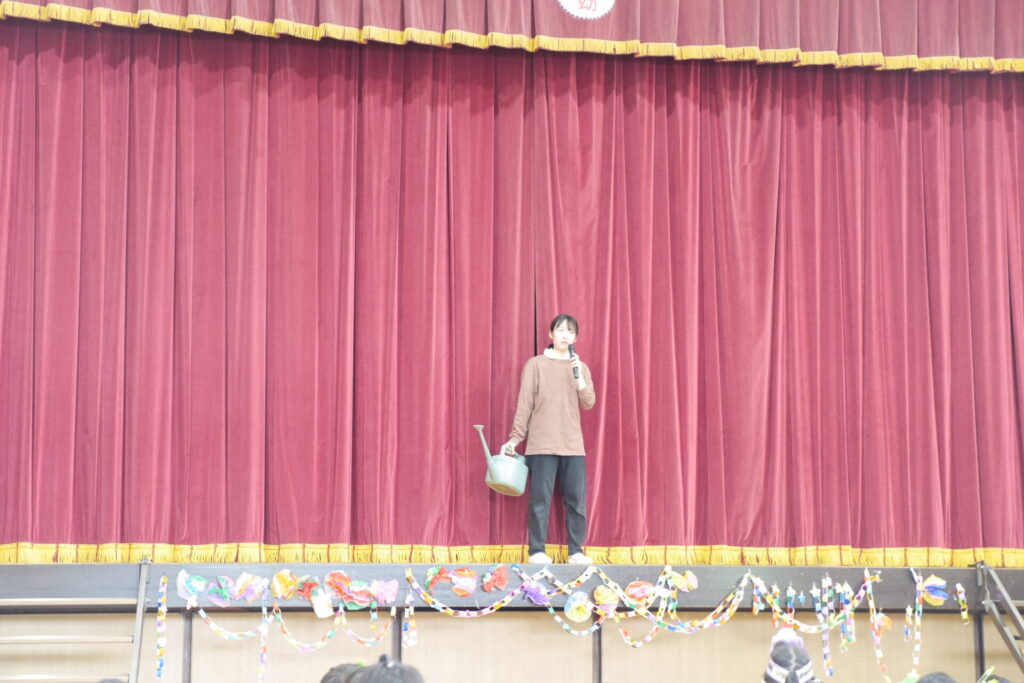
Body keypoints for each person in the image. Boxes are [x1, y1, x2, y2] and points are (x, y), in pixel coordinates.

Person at [500, 314, 597, 565]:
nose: (565, 335)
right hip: (541, 443)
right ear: (550, 334)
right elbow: (525, 403)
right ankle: (537, 551)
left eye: (570, 331)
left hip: (572, 444)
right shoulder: (536, 365)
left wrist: (579, 378)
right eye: (560, 330)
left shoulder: (581, 367)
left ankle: (576, 551)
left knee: (576, 501)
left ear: (575, 338)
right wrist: (515, 438)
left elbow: (589, 402)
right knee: (540, 500)